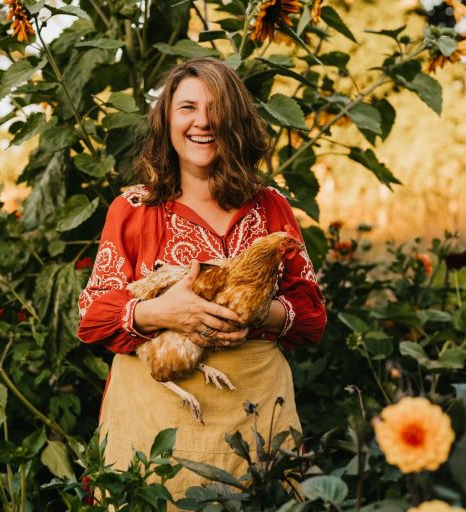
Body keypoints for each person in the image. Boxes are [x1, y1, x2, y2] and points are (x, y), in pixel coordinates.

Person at [77, 57, 327, 502]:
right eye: (187, 108)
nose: (203, 121)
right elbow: (93, 317)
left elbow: (312, 318)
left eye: (216, 108)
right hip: (155, 430)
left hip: (255, 423)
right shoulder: (134, 210)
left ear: (237, 122)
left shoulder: (271, 208)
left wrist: (252, 316)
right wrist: (162, 311)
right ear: (166, 121)